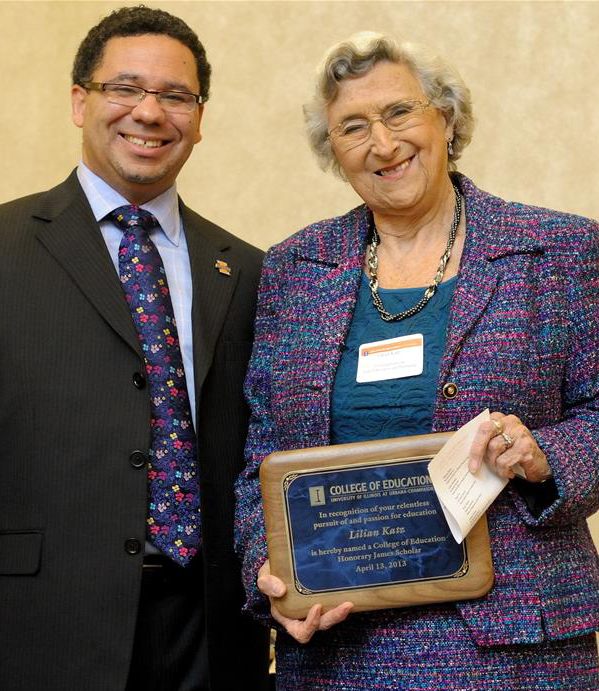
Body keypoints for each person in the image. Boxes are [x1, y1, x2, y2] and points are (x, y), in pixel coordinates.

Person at [0, 6, 269, 691]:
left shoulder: (245, 269)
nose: (149, 112)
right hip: (37, 631)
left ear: (199, 116)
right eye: (124, 88)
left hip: (211, 636)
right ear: (80, 101)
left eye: (174, 95)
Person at [234, 30, 599, 690]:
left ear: (446, 117)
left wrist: (548, 454)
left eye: (399, 112)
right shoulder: (294, 269)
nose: (382, 143)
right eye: (352, 126)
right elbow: (261, 455)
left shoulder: (561, 251)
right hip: (338, 652)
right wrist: (269, 570)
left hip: (517, 651)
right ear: (333, 152)